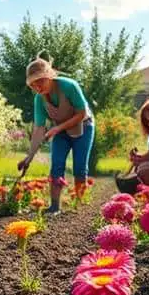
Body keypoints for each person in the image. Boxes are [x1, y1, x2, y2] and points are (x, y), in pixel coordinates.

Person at [17, 53, 95, 214]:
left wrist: (57, 129)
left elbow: (81, 114)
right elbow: (38, 129)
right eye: (33, 84)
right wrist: (29, 158)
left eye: (40, 81)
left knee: (80, 167)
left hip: (84, 127)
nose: (38, 87)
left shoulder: (69, 86)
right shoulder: (39, 99)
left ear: (50, 75)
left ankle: (79, 207)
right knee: (57, 165)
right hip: (60, 130)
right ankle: (54, 207)